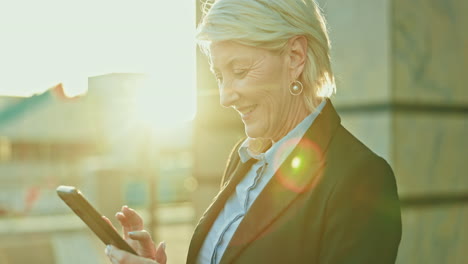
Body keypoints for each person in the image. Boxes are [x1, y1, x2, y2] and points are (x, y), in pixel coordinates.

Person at [104, 0, 402, 263]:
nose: (225, 96)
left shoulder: (361, 178)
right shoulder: (243, 159)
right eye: (220, 76)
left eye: (240, 71)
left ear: (295, 56)